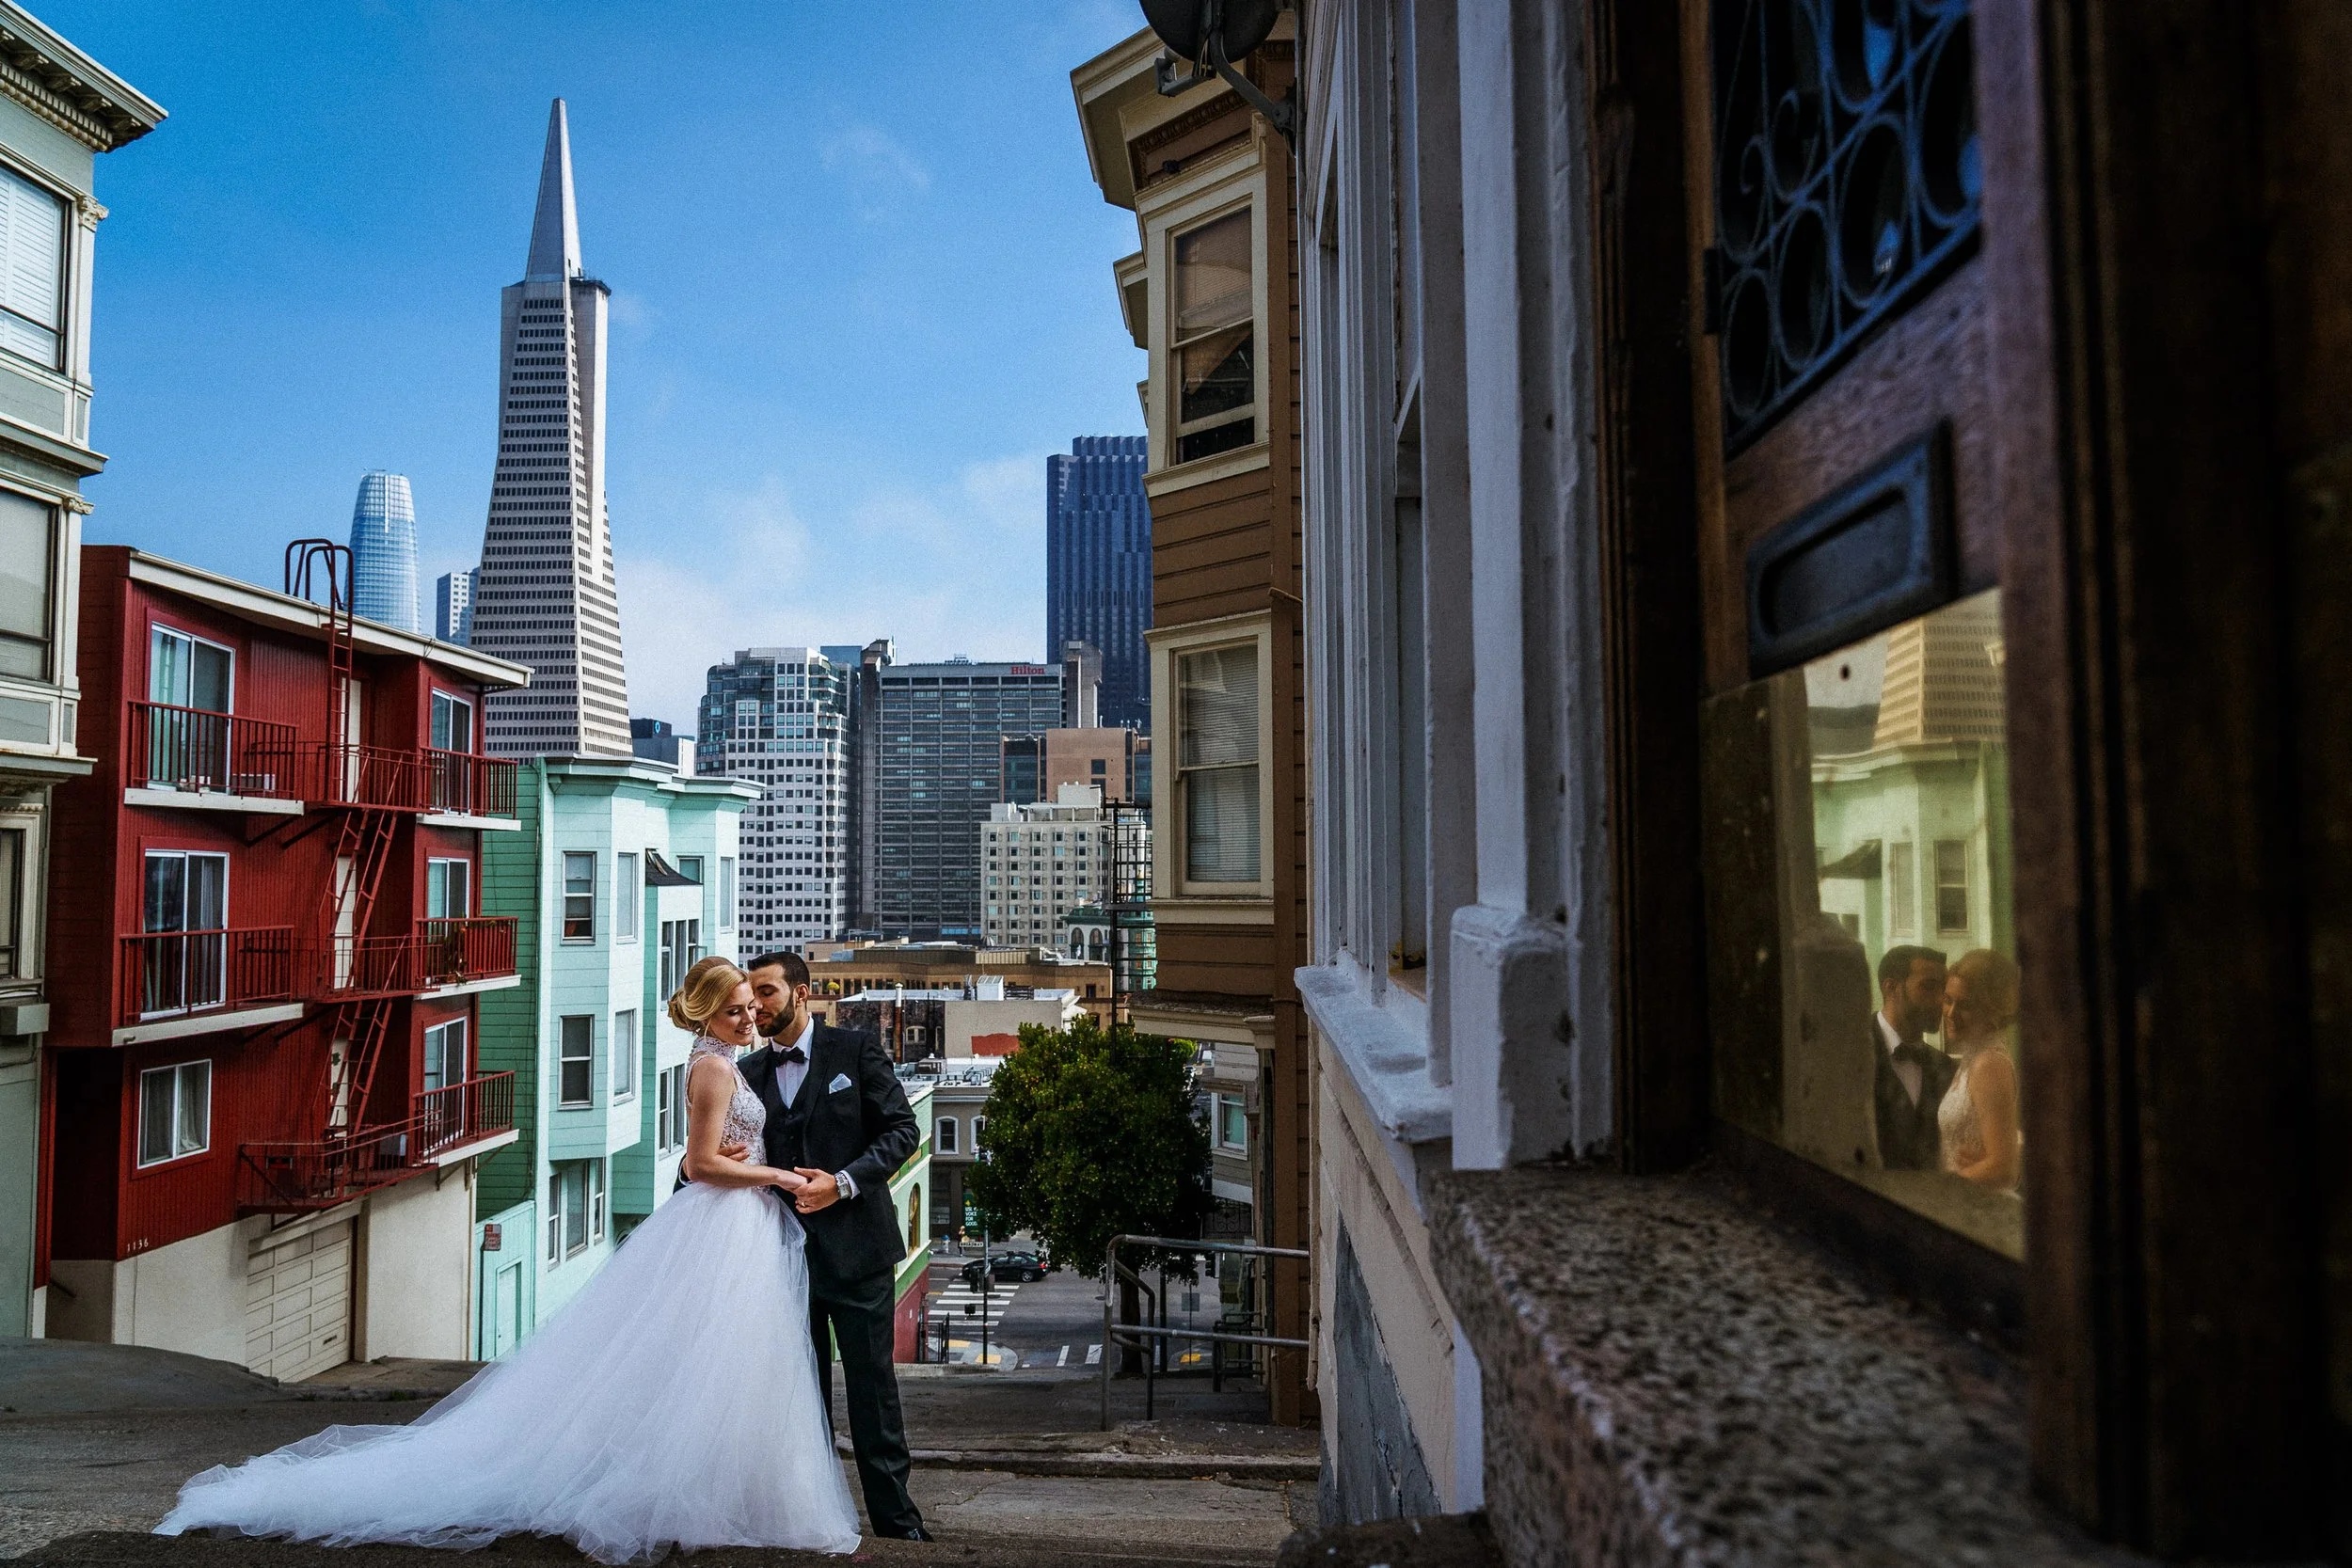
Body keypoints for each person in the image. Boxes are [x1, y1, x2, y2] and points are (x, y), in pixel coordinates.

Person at [154, 958, 860, 1562]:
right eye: (736, 1010)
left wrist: (757, 1172)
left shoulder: (726, 1064)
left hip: (738, 1226)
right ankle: (688, 1494)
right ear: (710, 1014)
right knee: (705, 1363)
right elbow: (702, 1163)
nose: (748, 1019)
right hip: (723, 1221)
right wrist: (774, 1177)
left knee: (725, 1365)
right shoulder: (712, 1069)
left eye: (750, 1008)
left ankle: (724, 1489)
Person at [737, 950, 929, 1543]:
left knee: (873, 1394)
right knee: (800, 1398)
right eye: (750, 996)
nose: (755, 1007)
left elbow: (902, 1131)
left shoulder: (856, 1050)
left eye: (766, 993)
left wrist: (842, 1183)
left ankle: (898, 1526)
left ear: (801, 992)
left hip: (858, 1253)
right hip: (781, 1259)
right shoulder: (745, 1073)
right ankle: (815, 1519)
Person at [1939, 948, 2023, 1190]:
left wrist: (1941, 1189)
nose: (1951, 1013)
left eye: (1965, 1005)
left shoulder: (1988, 1064)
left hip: (1976, 1210)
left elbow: (2004, 1169)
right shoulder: (1973, 1058)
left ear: (1991, 1010)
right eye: (1948, 1000)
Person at [1870, 943, 1953, 1170]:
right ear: (1891, 988)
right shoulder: (1854, 1051)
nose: (1940, 1001)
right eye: (1928, 987)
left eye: (1943, 990)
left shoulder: (1946, 1068)